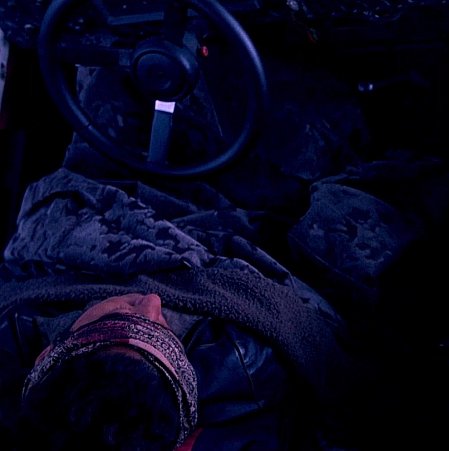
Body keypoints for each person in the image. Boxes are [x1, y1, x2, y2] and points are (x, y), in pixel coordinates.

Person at [0, 166, 378, 450]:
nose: (153, 301)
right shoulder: (251, 361)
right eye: (166, 332)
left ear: (45, 356)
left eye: (123, 317)